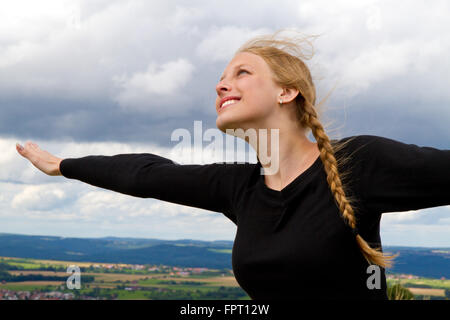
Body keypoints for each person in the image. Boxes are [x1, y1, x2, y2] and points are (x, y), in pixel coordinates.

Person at [16, 29, 450, 300]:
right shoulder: (240, 187)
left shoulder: (361, 163)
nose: (222, 83)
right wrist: (64, 165)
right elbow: (147, 174)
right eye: (222, 76)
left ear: (287, 92)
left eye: (242, 73)